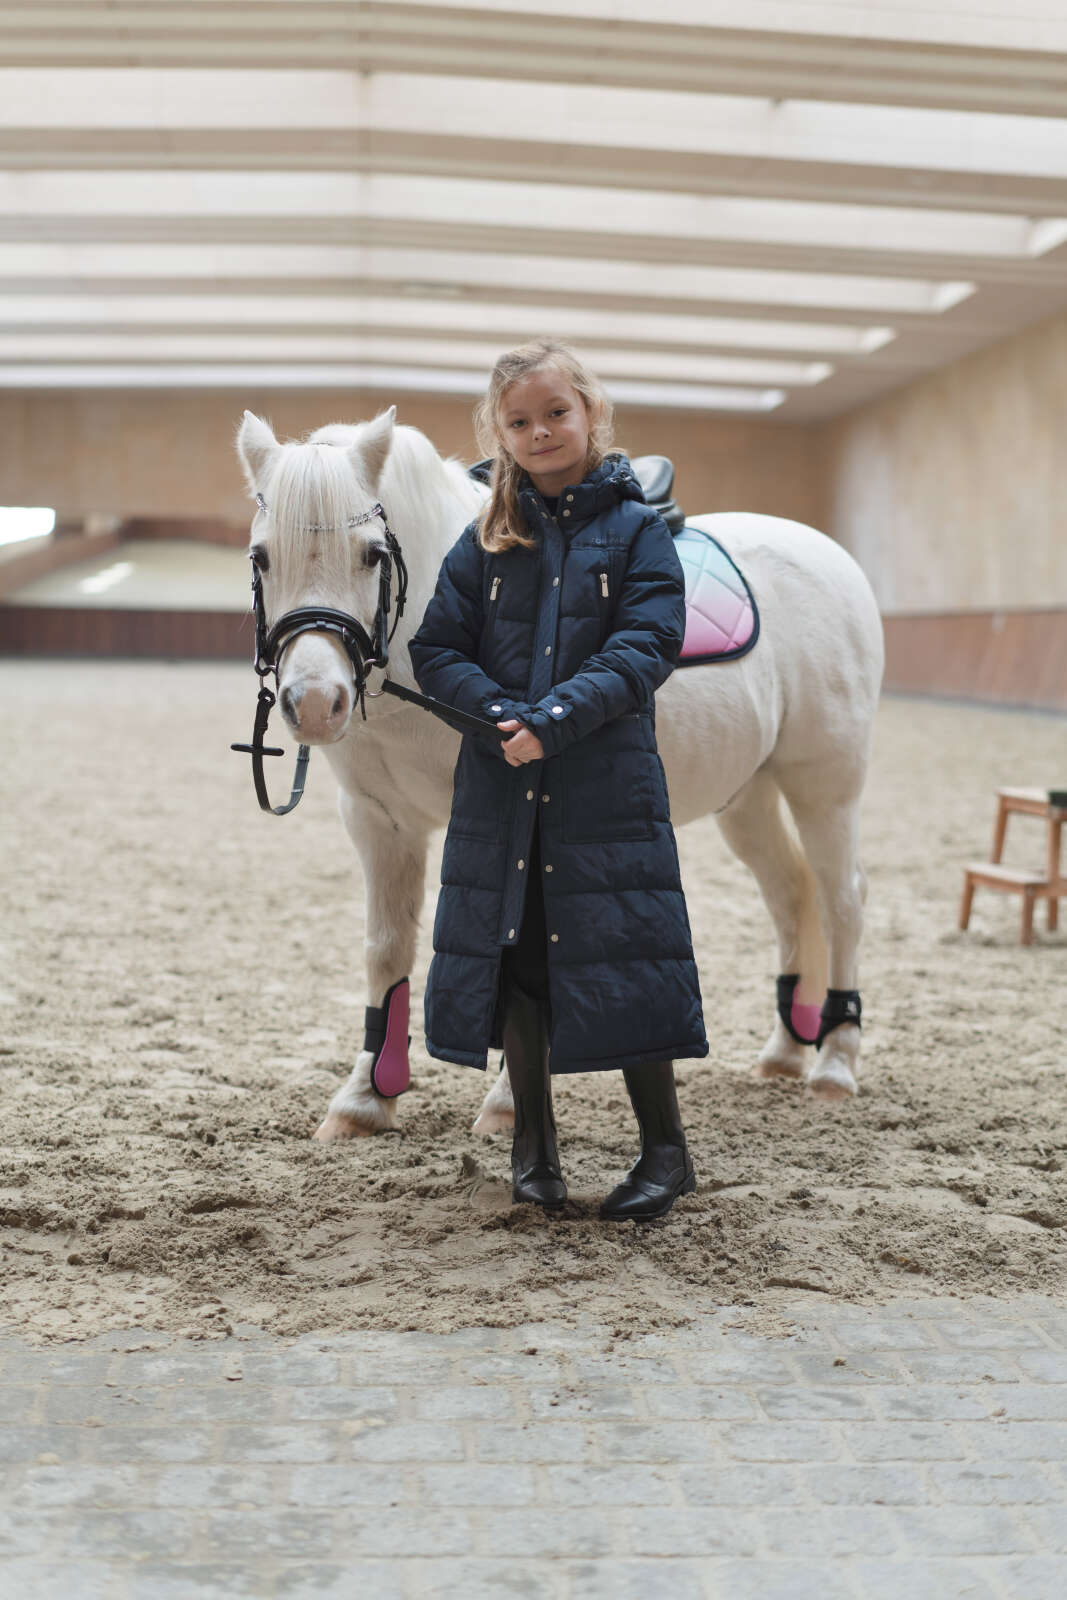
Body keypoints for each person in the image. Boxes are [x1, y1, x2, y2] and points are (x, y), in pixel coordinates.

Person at [408, 338, 708, 1221]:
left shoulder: (639, 531)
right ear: (499, 433)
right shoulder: (482, 539)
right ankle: (533, 1147)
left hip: (604, 784)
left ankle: (666, 1151)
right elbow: (435, 648)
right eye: (518, 421)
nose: (539, 431)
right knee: (518, 961)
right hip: (503, 782)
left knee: (628, 949)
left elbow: (647, 644)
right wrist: (499, 715)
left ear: (589, 413)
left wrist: (554, 719)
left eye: (554, 413)